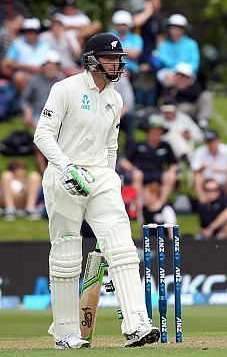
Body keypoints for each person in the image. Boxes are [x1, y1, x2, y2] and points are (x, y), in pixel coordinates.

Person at [33, 33, 159, 348]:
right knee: (66, 255)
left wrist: (111, 178)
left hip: (101, 176)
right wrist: (66, 167)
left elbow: (111, 145)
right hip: (65, 176)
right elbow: (42, 135)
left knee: (122, 249)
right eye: (109, 58)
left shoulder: (115, 98)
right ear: (92, 60)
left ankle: (137, 325)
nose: (116, 63)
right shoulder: (66, 89)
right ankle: (65, 333)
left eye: (118, 59)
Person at [119, 114, 179, 212]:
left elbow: (174, 163)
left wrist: (172, 171)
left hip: (157, 174)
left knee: (171, 176)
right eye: (153, 130)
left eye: (158, 130)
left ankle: (161, 204)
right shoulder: (139, 145)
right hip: (141, 173)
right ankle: (140, 206)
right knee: (137, 175)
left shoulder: (166, 146)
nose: (156, 133)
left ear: (162, 132)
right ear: (149, 131)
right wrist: (132, 168)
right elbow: (123, 161)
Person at [21, 51, 65, 172]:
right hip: (38, 114)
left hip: (57, 115)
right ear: (43, 66)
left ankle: (58, 168)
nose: (50, 68)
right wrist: (27, 112)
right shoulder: (35, 80)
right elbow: (25, 100)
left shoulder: (62, 80)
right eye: (47, 65)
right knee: (40, 136)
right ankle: (43, 170)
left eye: (53, 66)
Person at [191, 129, 227, 211]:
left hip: (225, 183)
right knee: (197, 177)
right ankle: (205, 207)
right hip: (207, 183)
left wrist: (223, 169)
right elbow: (194, 170)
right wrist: (202, 167)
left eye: (212, 141)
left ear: (218, 141)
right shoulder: (200, 152)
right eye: (208, 142)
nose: (210, 144)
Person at [1, 18, 51, 93]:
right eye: (28, 31)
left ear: (38, 32)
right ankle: (26, 102)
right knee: (19, 77)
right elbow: (7, 63)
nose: (31, 34)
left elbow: (54, 59)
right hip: (25, 73)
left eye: (33, 31)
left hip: (45, 72)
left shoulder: (45, 44)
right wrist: (26, 67)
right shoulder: (18, 43)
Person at [163, 62, 213, 129]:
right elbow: (167, 101)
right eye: (179, 75)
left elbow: (197, 94)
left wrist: (185, 88)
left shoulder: (194, 85)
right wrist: (177, 89)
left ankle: (203, 123)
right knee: (184, 107)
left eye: (184, 76)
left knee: (207, 95)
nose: (181, 78)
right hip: (181, 108)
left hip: (195, 107)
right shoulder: (171, 85)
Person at [155, 14, 199, 87]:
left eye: (178, 28)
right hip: (168, 72)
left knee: (185, 78)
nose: (175, 30)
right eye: (173, 27)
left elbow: (194, 64)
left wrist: (182, 71)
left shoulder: (191, 44)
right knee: (168, 76)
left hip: (187, 73)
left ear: (183, 30)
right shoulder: (164, 44)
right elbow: (161, 60)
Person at [110, 10, 143, 76]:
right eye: (119, 24)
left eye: (124, 24)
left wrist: (114, 51)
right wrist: (126, 52)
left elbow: (135, 54)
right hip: (110, 67)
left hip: (130, 69)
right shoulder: (109, 36)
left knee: (122, 74)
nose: (122, 26)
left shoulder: (136, 38)